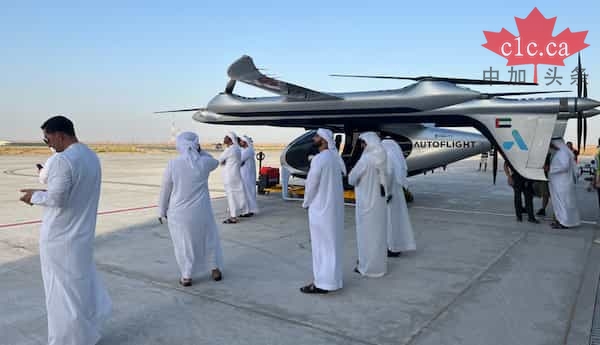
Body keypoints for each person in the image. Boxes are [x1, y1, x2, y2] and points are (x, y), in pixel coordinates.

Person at [19, 116, 111, 345]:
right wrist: (41, 192)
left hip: (60, 239)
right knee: (78, 292)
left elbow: (58, 198)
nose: (48, 144)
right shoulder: (90, 156)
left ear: (60, 134)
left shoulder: (63, 160)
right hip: (81, 238)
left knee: (60, 296)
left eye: (47, 138)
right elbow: (69, 192)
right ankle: (86, 336)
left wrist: (34, 197)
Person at [159, 132, 224, 286]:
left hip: (179, 213)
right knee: (209, 239)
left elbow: (165, 189)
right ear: (197, 144)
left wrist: (161, 211)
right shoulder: (204, 163)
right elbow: (215, 162)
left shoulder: (173, 164)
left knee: (184, 243)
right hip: (202, 211)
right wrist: (200, 151)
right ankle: (214, 269)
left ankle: (186, 275)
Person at [300, 128, 346, 294]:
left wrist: (306, 203)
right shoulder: (334, 158)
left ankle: (321, 283)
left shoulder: (320, 159)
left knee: (321, 247)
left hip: (320, 210)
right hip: (333, 210)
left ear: (324, 140)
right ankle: (333, 280)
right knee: (331, 246)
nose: (314, 138)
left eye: (317, 136)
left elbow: (311, 184)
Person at [348, 132, 388, 278]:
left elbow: (352, 179)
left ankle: (367, 267)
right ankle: (379, 266)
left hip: (366, 204)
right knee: (377, 236)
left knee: (366, 236)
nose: (362, 146)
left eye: (363, 143)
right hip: (380, 203)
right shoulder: (382, 159)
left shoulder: (366, 159)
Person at [381, 137, 416, 257]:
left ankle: (392, 248)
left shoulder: (389, 157)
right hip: (397, 194)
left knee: (390, 222)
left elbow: (389, 176)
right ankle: (398, 246)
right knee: (397, 222)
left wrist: (386, 193)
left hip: (391, 195)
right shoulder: (394, 156)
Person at [549, 139, 581, 229]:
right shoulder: (560, 152)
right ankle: (560, 220)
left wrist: (550, 169)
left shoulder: (563, 153)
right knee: (560, 204)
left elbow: (565, 166)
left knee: (564, 204)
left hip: (562, 184)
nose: (551, 146)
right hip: (559, 184)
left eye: (552, 144)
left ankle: (564, 223)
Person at [218, 132, 247, 224]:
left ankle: (233, 217)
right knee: (237, 193)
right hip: (236, 174)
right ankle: (238, 211)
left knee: (231, 195)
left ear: (230, 139)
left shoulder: (230, 149)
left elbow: (220, 159)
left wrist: (223, 161)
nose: (224, 138)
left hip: (229, 176)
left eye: (226, 137)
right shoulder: (237, 149)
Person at [239, 135, 259, 217]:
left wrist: (239, 162)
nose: (240, 142)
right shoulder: (244, 150)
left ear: (245, 142)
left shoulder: (248, 150)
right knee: (245, 192)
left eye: (241, 141)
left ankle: (250, 210)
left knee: (249, 192)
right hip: (244, 174)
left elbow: (239, 160)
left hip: (248, 175)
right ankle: (246, 210)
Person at [535, 152, 552, 216]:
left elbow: (547, 168)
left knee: (546, 194)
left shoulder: (549, 156)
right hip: (541, 177)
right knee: (544, 194)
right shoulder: (541, 155)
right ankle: (543, 209)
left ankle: (543, 209)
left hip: (546, 178)